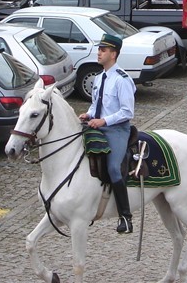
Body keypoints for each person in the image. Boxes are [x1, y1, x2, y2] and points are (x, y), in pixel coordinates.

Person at [79, 34, 135, 234]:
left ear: (113, 54)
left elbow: (127, 112)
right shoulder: (99, 77)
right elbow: (97, 104)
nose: (99, 53)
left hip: (117, 129)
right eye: (99, 49)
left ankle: (125, 217)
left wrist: (103, 120)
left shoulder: (122, 80)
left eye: (103, 50)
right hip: (97, 125)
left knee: (113, 168)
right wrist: (89, 114)